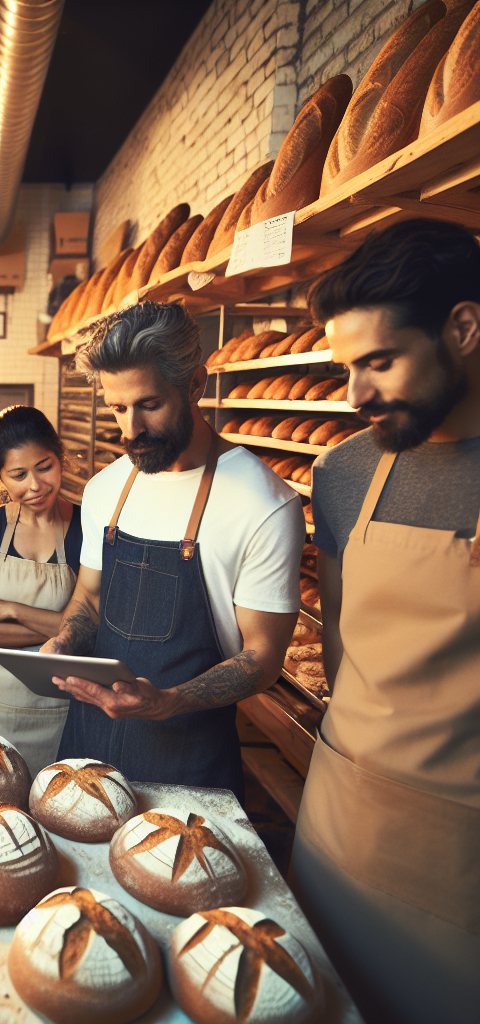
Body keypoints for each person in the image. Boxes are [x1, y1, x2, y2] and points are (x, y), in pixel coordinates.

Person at [288, 220, 480, 1024]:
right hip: (341, 823)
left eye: (379, 362)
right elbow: (340, 647)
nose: (354, 397)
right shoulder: (343, 472)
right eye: (345, 367)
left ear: (464, 329)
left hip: (463, 853)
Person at [42, 301, 304, 801]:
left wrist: (170, 701)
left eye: (149, 405)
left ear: (195, 386)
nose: (129, 430)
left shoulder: (263, 503)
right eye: (118, 408)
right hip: (87, 751)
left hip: (189, 762)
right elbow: (89, 599)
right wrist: (64, 642)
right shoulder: (105, 489)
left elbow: (264, 656)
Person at [0, 405, 83, 775]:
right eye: (18, 474)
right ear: (0, 477)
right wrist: (59, 623)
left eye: (44, 467)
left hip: (57, 711)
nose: (35, 485)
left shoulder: (84, 529)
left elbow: (91, 629)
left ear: (59, 458)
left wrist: (6, 608)